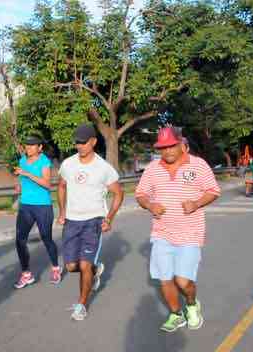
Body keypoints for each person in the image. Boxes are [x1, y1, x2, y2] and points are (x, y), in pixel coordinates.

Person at [135, 126, 221, 332]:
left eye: (171, 146)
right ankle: (176, 313)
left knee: (182, 281)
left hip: (190, 234)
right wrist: (150, 205)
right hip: (162, 233)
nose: (167, 151)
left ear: (182, 144)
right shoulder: (153, 168)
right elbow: (140, 194)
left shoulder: (198, 165)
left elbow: (213, 191)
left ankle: (192, 305)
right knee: (165, 279)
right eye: (162, 147)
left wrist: (197, 203)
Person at [57, 124, 123, 321]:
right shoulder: (68, 164)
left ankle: (81, 305)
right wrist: (62, 212)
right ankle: (95, 269)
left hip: (93, 221)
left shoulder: (104, 168)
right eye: (77, 142)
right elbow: (61, 186)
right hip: (71, 221)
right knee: (70, 267)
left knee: (84, 265)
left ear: (93, 142)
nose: (79, 146)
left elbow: (118, 194)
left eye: (83, 142)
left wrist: (109, 217)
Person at [13, 135, 62, 288]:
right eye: (27, 145)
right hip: (25, 205)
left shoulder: (44, 161)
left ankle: (55, 268)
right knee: (20, 240)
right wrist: (19, 187)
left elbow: (47, 184)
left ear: (40, 147)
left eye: (32, 145)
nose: (28, 147)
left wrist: (27, 174)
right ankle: (26, 274)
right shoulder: (22, 160)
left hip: (42, 206)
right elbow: (21, 180)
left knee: (46, 238)